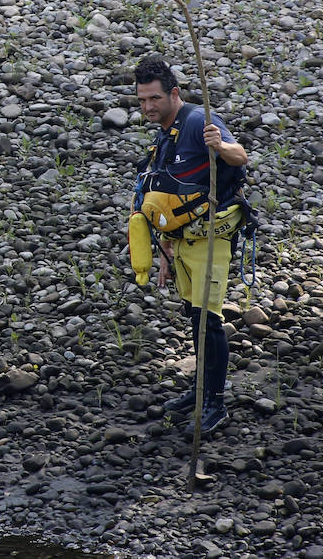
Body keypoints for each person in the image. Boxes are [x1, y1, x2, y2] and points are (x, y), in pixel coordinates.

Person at [132, 55, 250, 436]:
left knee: (208, 321)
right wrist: (166, 250)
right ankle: (199, 391)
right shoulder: (166, 134)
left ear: (175, 93)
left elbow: (240, 157)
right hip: (183, 240)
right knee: (193, 314)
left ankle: (215, 403)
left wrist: (220, 145)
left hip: (211, 238)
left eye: (154, 99)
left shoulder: (200, 120)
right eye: (142, 101)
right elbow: (170, 192)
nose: (148, 107)